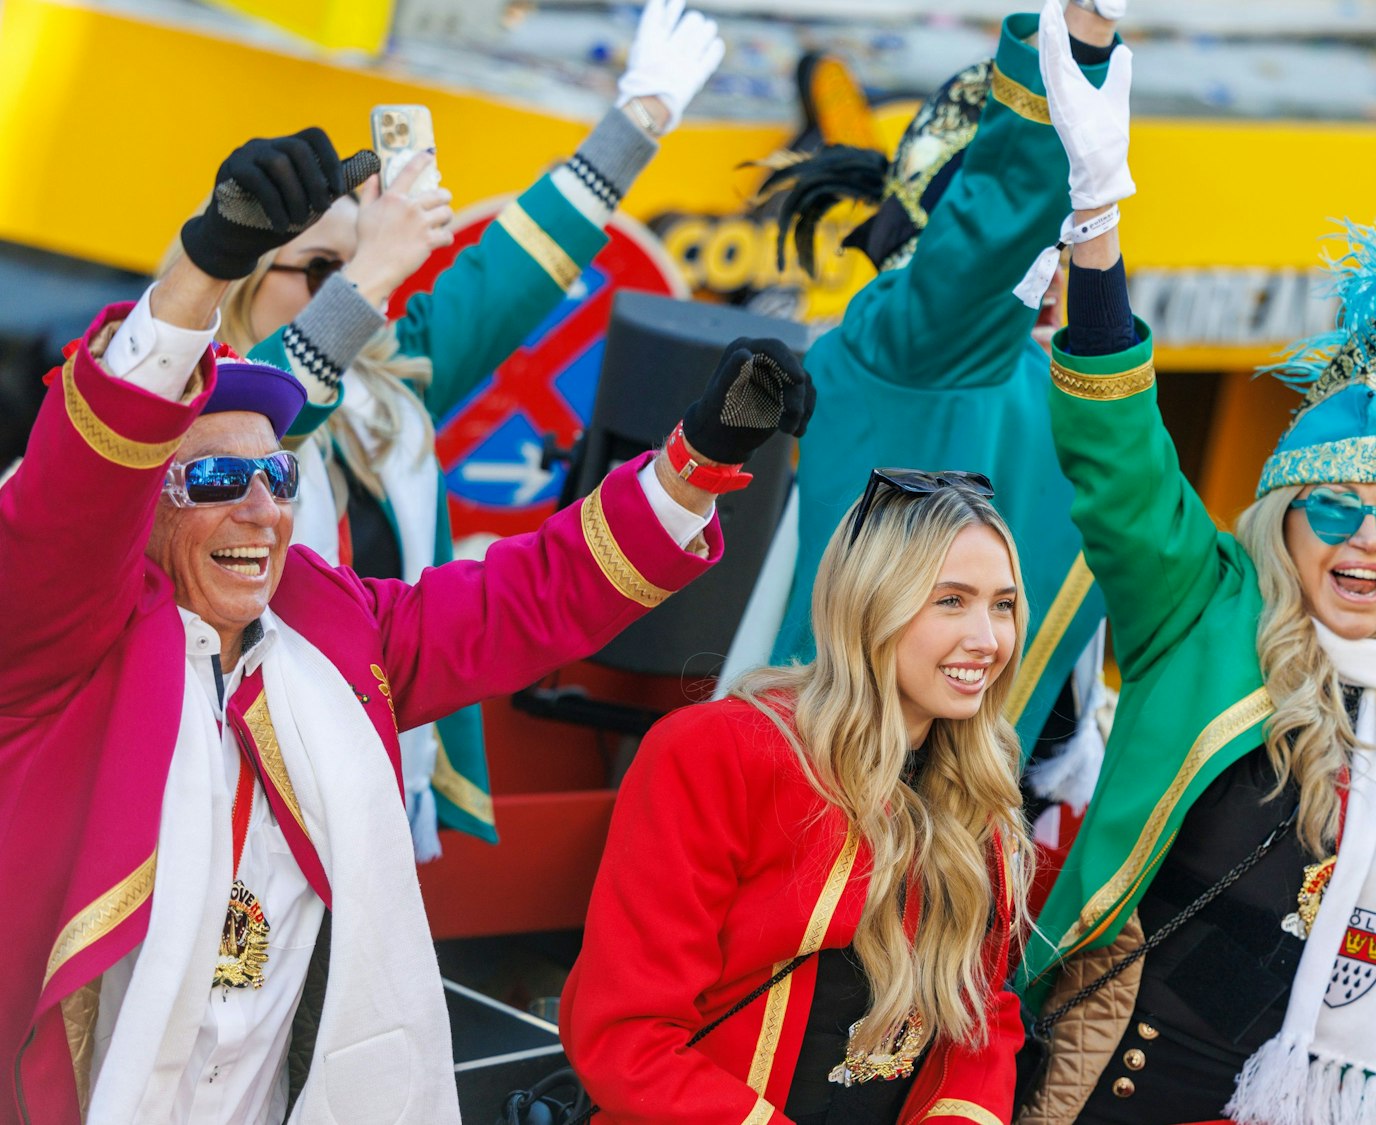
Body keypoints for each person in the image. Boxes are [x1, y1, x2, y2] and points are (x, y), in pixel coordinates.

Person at [0, 131, 812, 1124]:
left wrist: (695, 467)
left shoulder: (326, 618)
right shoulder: (59, 637)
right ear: (147, 506)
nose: (261, 509)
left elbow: (525, 601)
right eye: (218, 480)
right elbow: (76, 493)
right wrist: (204, 266)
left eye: (279, 477)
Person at [1011, 25, 1376, 1121]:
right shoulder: (1202, 608)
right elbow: (1119, 459)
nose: (1367, 543)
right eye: (1336, 511)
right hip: (1109, 1087)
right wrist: (1096, 218)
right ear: (1283, 524)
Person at [177, 0, 726, 860]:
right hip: (222, 774)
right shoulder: (188, 398)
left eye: (349, 261)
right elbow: (272, 402)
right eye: (319, 266)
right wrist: (369, 272)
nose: (348, 282)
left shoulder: (392, 379)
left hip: (369, 759)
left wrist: (640, 116)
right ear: (242, 276)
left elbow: (514, 270)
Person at [735, 0, 1131, 783]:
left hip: (971, 809)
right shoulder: (913, 342)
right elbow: (987, 242)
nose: (1052, 264)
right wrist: (1077, 44)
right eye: (1042, 236)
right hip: (845, 786)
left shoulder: (1046, 379)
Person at [561, 471, 1033, 1125]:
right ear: (872, 604)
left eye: (1003, 604)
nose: (988, 639)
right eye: (950, 600)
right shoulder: (716, 752)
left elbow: (982, 1012)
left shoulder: (979, 788)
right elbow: (627, 1036)